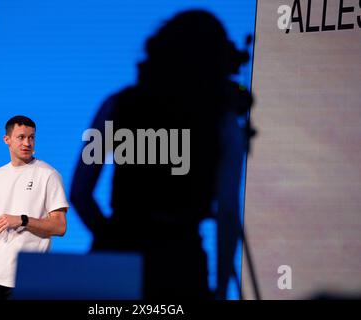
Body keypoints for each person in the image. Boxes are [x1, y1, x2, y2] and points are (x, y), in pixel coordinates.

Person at [70, 10, 255, 299]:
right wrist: (220, 291)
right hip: (180, 266)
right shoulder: (222, 119)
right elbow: (228, 211)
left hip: (113, 266)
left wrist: (112, 241)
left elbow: (80, 193)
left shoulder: (117, 105)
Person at [0, 115, 69, 300]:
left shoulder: (49, 175)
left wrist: (22, 220)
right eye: (21, 137)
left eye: (31, 137)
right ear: (6, 140)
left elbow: (60, 227)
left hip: (30, 278)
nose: (27, 143)